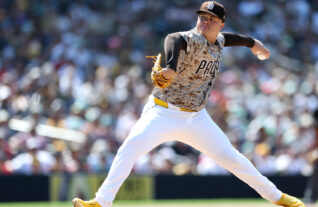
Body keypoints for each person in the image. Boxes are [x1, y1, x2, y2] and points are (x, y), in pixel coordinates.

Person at [73, 1, 305, 207]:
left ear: (220, 25)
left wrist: (253, 43)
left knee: (234, 160)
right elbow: (173, 39)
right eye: (202, 17)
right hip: (163, 113)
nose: (205, 22)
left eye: (211, 19)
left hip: (196, 118)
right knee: (129, 149)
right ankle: (101, 203)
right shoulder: (189, 38)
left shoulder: (219, 41)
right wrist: (172, 67)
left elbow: (234, 39)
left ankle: (280, 198)